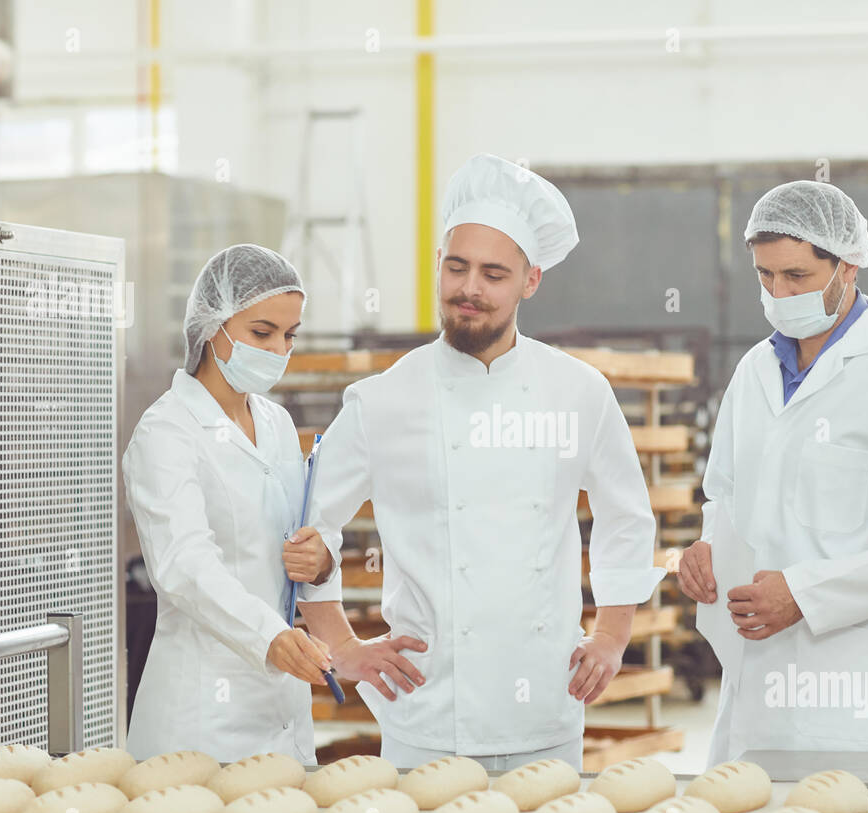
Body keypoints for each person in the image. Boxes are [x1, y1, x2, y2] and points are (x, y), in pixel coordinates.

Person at [283, 154, 664, 771]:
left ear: (530, 281)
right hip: (427, 711)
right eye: (457, 267)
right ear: (438, 265)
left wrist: (614, 634)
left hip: (544, 705)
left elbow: (627, 517)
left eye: (494, 274)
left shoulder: (578, 391)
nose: (470, 289)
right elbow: (306, 527)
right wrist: (342, 647)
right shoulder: (383, 399)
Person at [677, 181, 868, 766]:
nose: (778, 293)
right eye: (765, 276)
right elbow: (725, 493)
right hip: (754, 688)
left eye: (796, 277)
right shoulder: (755, 371)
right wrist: (707, 548)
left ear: (848, 267)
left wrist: (806, 592)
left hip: (854, 697)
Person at [123, 243, 333, 762]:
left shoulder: (278, 424)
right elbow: (184, 565)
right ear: (210, 326)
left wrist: (323, 559)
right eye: (261, 333)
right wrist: (271, 637)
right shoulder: (167, 431)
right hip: (202, 716)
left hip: (283, 703)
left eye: (289, 336)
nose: (279, 350)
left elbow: (299, 531)